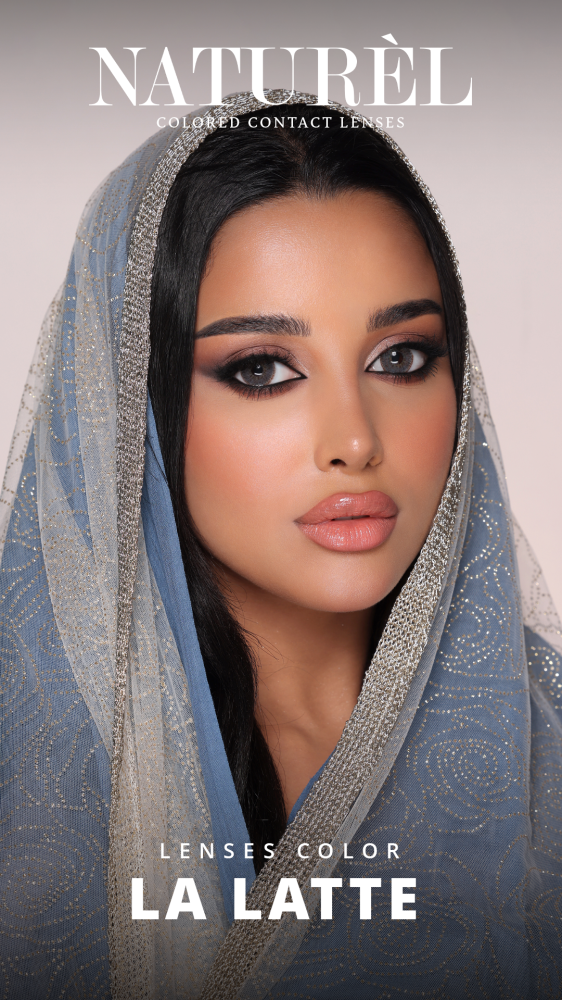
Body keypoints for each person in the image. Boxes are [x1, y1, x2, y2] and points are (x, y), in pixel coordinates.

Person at [0, 91, 561, 1000]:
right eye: (262, 369)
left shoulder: (546, 755)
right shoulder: (28, 769)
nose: (355, 439)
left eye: (401, 358)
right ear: (133, 401)